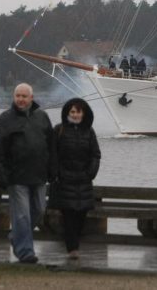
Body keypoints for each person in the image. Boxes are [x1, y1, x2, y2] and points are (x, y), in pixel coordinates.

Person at [0, 83, 55, 264]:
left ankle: (16, 236)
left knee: (39, 211)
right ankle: (26, 252)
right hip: (16, 177)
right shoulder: (4, 120)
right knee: (22, 215)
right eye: (17, 95)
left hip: (39, 175)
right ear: (14, 97)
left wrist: (52, 170)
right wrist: (1, 175)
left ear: (31, 98)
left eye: (24, 96)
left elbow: (51, 146)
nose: (20, 99)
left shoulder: (42, 117)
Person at [51, 98, 101, 259]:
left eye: (78, 111)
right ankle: (72, 248)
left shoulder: (89, 131)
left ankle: (74, 245)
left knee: (81, 215)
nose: (75, 114)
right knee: (68, 216)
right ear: (67, 113)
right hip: (65, 181)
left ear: (84, 113)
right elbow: (52, 154)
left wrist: (90, 173)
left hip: (84, 181)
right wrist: (58, 173)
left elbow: (95, 154)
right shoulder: (59, 130)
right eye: (72, 111)